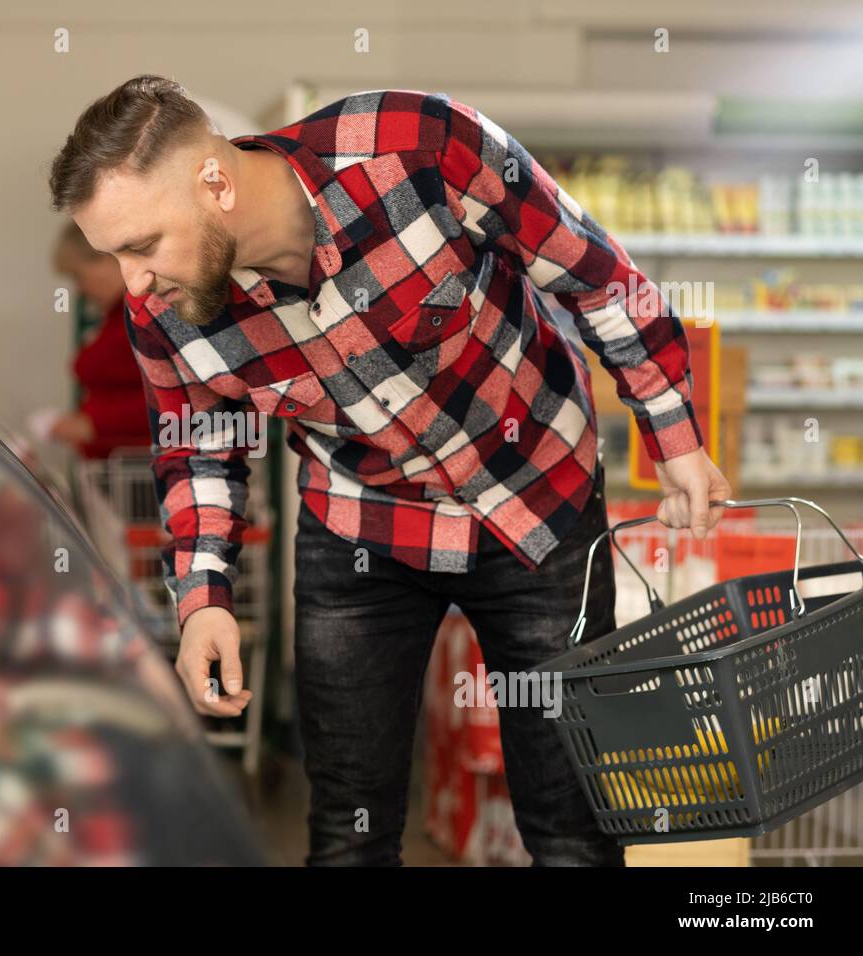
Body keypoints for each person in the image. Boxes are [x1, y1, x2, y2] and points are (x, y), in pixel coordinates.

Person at [48, 75, 734, 866]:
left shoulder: (419, 146)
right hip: (361, 528)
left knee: (571, 826)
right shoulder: (162, 313)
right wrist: (203, 599)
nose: (132, 284)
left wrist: (674, 436)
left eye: (141, 245)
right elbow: (200, 443)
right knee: (349, 835)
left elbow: (599, 280)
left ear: (216, 182)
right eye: (113, 256)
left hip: (538, 497)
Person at [39, 220, 152, 458]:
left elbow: (175, 401)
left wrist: (91, 425)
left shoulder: (145, 316)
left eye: (78, 276)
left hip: (139, 474)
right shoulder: (116, 315)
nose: (79, 290)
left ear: (107, 259)